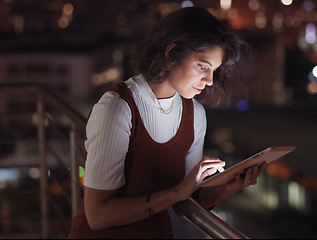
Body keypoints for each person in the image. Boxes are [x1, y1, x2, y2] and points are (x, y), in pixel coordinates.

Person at [68, 6, 266, 239]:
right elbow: (97, 216)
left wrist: (230, 186)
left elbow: (185, 201)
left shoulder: (195, 116)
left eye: (214, 70)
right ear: (171, 54)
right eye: (202, 66)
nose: (210, 80)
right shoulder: (118, 108)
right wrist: (177, 193)